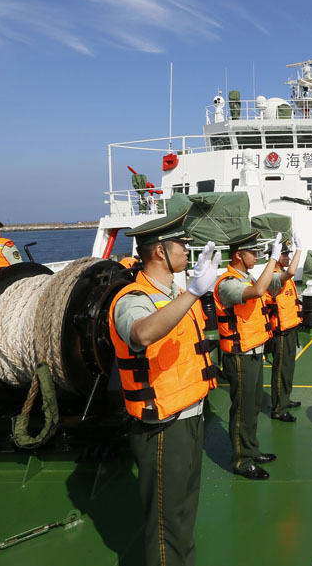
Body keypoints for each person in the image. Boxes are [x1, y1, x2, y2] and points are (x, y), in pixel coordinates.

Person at [108, 209, 223, 566]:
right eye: (181, 246)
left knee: (184, 512)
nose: (187, 251)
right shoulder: (133, 298)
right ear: (160, 251)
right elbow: (141, 333)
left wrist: (191, 290)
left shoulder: (173, 293)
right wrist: (193, 292)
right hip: (162, 425)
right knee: (166, 523)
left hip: (190, 415)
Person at [214, 230, 285, 480]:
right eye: (252, 252)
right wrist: (273, 259)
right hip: (239, 356)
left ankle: (251, 450)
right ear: (238, 255)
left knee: (253, 406)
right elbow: (256, 292)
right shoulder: (228, 283)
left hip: (254, 352)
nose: (256, 256)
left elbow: (268, 285)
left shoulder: (246, 278)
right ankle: (242, 462)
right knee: (242, 410)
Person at [263, 236, 303, 422]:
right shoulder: (273, 277)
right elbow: (292, 272)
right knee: (280, 371)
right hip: (280, 333)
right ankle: (278, 409)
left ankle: (285, 399)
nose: (288, 258)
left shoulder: (281, 273)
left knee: (288, 368)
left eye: (289, 254)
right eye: (285, 254)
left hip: (290, 329)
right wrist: (300, 250)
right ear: (277, 256)